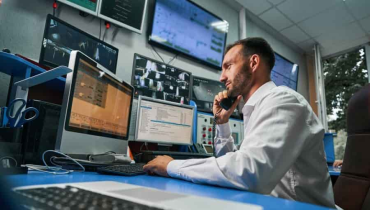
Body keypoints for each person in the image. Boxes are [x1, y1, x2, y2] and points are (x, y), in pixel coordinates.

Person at [143, 37, 335, 208]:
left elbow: (249, 173)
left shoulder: (283, 102)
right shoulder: (256, 108)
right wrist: (222, 123)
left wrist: (172, 166)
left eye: (228, 66)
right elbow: (231, 169)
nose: (222, 77)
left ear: (253, 63)